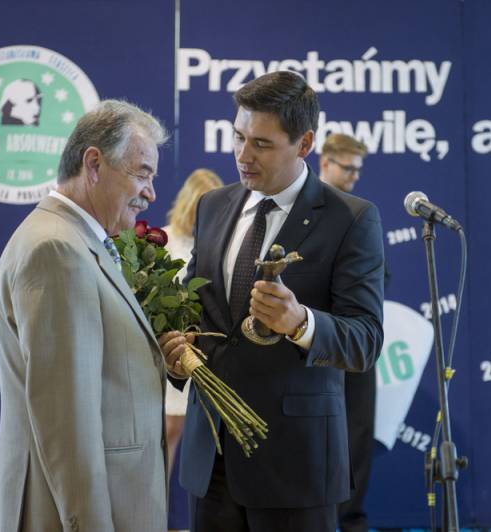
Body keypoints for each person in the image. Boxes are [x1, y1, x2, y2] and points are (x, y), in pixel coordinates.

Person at [161, 71, 385, 532]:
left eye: (261, 144)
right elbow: (200, 312)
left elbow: (365, 340)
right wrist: (176, 350)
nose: (243, 155)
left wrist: (301, 322)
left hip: (295, 468)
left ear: (304, 144)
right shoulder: (212, 206)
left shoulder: (351, 218)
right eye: (238, 137)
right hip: (211, 461)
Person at [0, 99, 170, 532]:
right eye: (142, 173)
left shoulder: (74, 240)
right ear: (94, 164)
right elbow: (67, 420)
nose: (150, 192)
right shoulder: (57, 250)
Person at [319, 133, 375, 532]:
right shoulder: (298, 213)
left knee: (357, 437)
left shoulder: (362, 216)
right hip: (313, 343)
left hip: (352, 344)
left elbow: (376, 282)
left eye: (358, 170)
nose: (354, 176)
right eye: (348, 168)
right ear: (326, 162)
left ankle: (351, 520)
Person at [162, 168, 224, 478]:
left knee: (201, 435)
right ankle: (155, 503)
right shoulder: (163, 241)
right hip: (172, 349)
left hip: (206, 353)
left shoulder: (217, 245)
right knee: (169, 431)